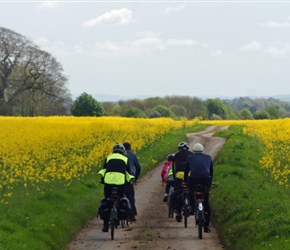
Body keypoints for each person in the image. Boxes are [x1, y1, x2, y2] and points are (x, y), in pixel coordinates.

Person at [98, 143, 134, 232]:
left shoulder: (108, 158)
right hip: (121, 183)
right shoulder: (125, 159)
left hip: (108, 182)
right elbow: (128, 173)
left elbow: (103, 171)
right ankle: (118, 215)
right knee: (121, 197)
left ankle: (105, 224)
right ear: (123, 152)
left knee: (107, 199)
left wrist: (102, 180)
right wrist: (129, 181)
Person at [184, 142, 213, 233]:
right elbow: (211, 170)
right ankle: (206, 226)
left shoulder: (190, 158)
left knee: (191, 192)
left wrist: (186, 181)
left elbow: (186, 171)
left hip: (193, 179)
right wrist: (210, 181)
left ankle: (192, 206)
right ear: (202, 150)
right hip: (206, 180)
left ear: (193, 151)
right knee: (206, 202)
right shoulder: (208, 157)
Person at [170, 142, 193, 222]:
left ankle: (178, 212)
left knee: (177, 192)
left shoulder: (176, 155)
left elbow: (174, 167)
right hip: (189, 175)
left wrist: (174, 176)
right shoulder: (191, 154)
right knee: (191, 190)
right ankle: (191, 207)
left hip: (179, 175)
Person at [123, 142, 142, 222]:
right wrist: (136, 178)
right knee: (130, 196)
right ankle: (132, 215)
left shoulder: (116, 156)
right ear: (130, 148)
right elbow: (138, 167)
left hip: (116, 178)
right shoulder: (132, 155)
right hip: (129, 177)